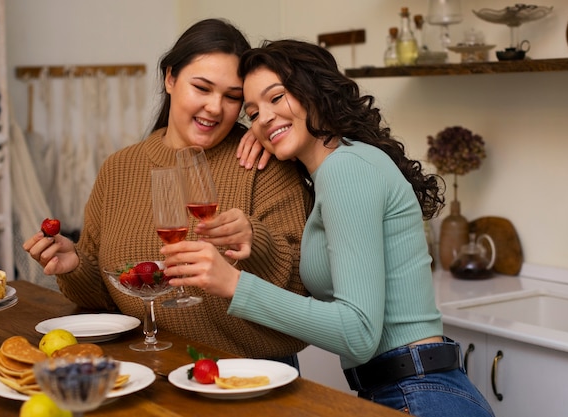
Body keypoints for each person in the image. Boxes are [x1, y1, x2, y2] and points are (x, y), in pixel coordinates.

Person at [160, 39, 495, 417]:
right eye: (252, 113)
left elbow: (358, 332)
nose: (264, 118)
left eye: (277, 97)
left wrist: (233, 284)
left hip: (418, 394)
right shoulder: (342, 164)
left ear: (314, 91)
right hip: (411, 388)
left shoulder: (344, 170)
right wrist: (265, 132)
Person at [22, 20, 312, 364]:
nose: (216, 108)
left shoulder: (264, 162)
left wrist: (254, 241)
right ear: (170, 78)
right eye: (202, 88)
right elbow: (108, 296)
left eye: (232, 97)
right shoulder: (119, 168)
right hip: (150, 365)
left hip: (249, 374)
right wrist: (73, 265)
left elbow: (301, 292)